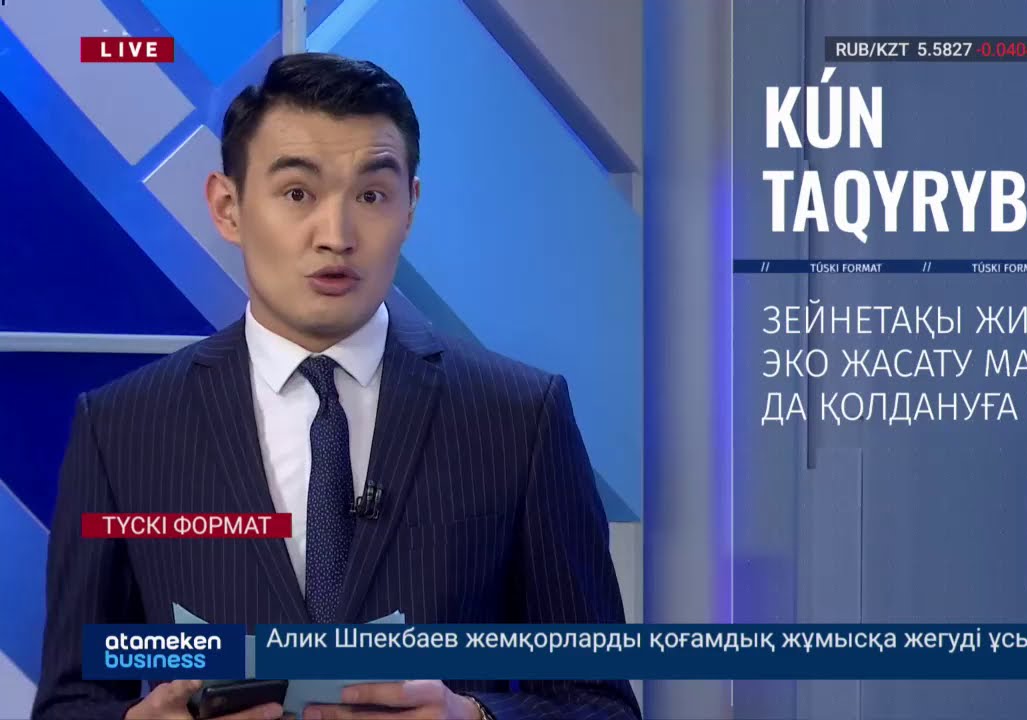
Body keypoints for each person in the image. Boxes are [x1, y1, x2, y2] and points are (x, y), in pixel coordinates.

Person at [33, 52, 640, 720]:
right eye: (298, 194)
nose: (337, 236)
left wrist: (475, 717)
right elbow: (70, 702)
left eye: (371, 196)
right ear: (228, 207)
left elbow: (600, 703)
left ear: (410, 207)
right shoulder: (123, 427)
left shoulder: (519, 417)